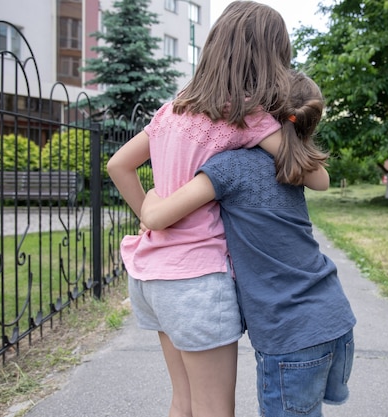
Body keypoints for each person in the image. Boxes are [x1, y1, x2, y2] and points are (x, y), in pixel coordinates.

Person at [105, 2, 319, 417]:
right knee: (213, 410)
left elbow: (119, 165)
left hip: (151, 275)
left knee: (182, 402)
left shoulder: (171, 111)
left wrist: (151, 211)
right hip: (197, 282)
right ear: (270, 59)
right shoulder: (245, 118)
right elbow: (307, 173)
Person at [140, 71, 356, 417]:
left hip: (289, 336)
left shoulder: (229, 166)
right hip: (334, 319)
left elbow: (158, 216)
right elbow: (321, 177)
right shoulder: (292, 169)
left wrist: (150, 196)